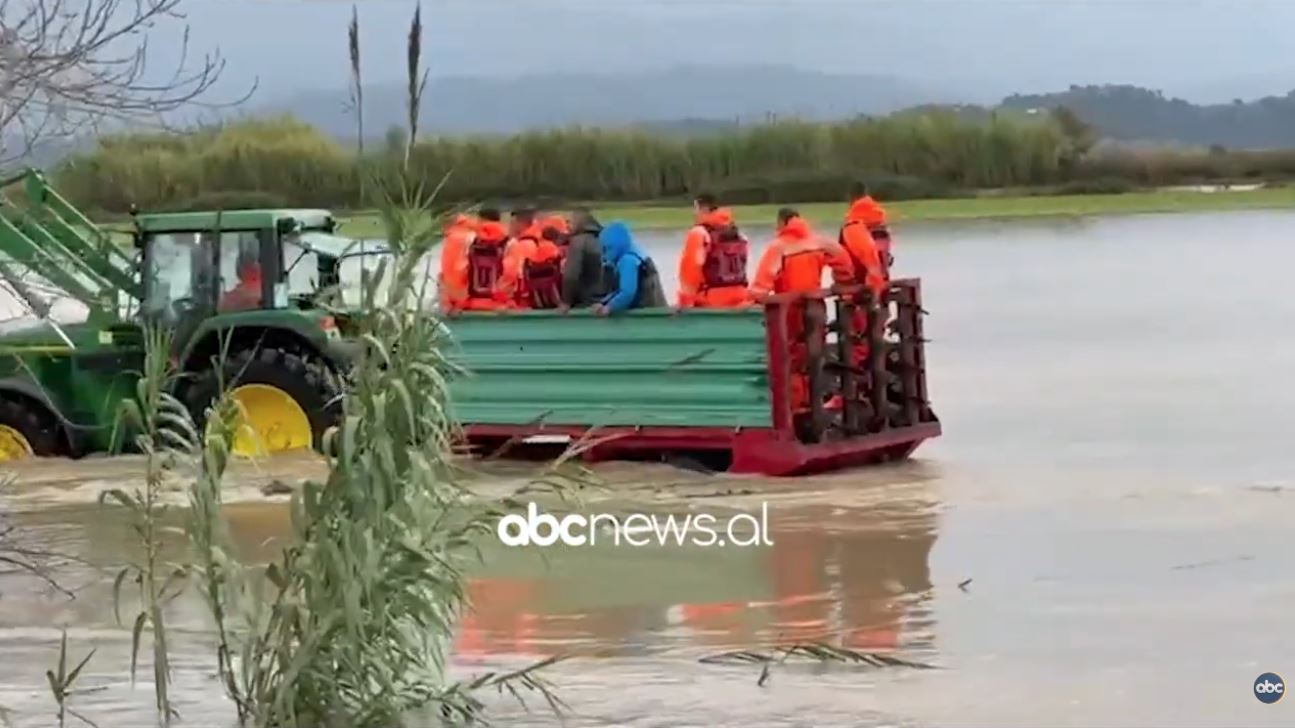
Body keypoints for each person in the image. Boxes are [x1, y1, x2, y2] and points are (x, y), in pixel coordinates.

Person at [750, 208, 856, 412]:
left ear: (782, 223)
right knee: (814, 355)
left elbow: (761, 284)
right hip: (816, 305)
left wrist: (754, 301)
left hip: (790, 310)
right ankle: (814, 403)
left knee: (792, 358)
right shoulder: (819, 242)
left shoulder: (779, 247)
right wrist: (842, 283)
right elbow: (843, 261)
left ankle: (796, 406)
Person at [676, 193, 752, 309]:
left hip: (711, 300)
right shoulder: (738, 234)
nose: (694, 213)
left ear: (704, 209)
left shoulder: (699, 233)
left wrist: (685, 304)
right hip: (741, 297)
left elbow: (689, 272)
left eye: (696, 209)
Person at [595, 221, 666, 315]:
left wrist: (609, 308)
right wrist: (603, 303)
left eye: (605, 249)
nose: (603, 255)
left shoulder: (627, 260)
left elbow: (627, 293)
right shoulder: (636, 254)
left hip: (648, 315)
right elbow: (621, 290)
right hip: (656, 311)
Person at [455, 207, 512, 311]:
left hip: (472, 304)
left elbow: (461, 272)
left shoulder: (470, 240)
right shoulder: (509, 242)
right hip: (500, 307)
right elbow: (511, 275)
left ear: (481, 219)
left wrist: (458, 303)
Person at [841, 182, 889, 293]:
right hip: (882, 274)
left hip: (862, 278)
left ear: (850, 197)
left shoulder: (853, 223)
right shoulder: (879, 218)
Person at [560, 207, 610, 308]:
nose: (567, 226)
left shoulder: (578, 242)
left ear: (578, 222)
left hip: (586, 302)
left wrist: (566, 302)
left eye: (569, 222)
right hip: (606, 299)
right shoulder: (602, 240)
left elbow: (571, 275)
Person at [437, 213, 477, 313]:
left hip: (460, 304)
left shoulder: (453, 239)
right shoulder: (475, 234)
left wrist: (448, 302)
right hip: (481, 299)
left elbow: (453, 273)